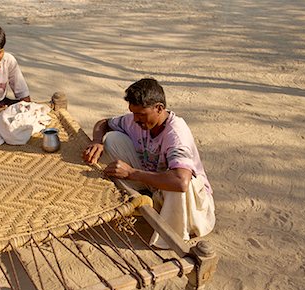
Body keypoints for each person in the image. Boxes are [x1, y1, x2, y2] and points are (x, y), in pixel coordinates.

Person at [82, 78, 215, 248]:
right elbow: (103, 123)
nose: (135, 119)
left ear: (159, 108)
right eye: (133, 113)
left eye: (141, 114)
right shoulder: (136, 120)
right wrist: (98, 141)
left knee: (180, 181)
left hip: (191, 202)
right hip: (156, 183)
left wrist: (131, 173)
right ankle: (150, 198)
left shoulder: (176, 134)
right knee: (113, 139)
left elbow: (181, 182)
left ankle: (175, 231)